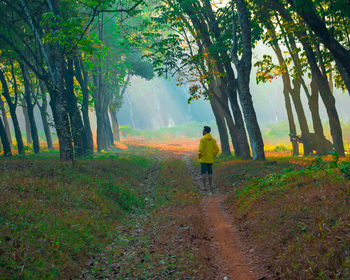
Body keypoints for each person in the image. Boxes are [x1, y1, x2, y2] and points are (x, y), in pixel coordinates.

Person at [198, 126, 219, 194]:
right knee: (210, 173)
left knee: (203, 173)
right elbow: (217, 149)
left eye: (203, 130)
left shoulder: (202, 139)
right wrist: (213, 155)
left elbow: (200, 150)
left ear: (205, 131)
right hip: (210, 159)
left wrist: (200, 156)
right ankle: (210, 185)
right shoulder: (213, 140)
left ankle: (204, 186)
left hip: (204, 159)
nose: (202, 132)